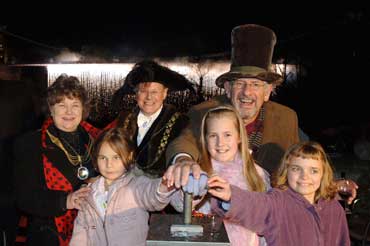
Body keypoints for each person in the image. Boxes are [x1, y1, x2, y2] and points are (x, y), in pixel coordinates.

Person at [166, 24, 299, 175]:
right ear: (228, 88)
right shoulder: (205, 112)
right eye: (240, 83)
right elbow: (185, 142)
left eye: (255, 84)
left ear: (267, 91)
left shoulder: (287, 118)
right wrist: (183, 160)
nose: (247, 92)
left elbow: (300, 159)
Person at [208, 141, 350, 246]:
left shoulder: (334, 209)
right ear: (286, 171)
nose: (304, 176)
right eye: (296, 169)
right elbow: (255, 204)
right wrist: (231, 196)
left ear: (323, 174)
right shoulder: (278, 203)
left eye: (313, 171)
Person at [13, 74, 100, 246]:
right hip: (50, 235)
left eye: (75, 105)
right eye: (62, 105)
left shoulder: (99, 140)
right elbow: (24, 199)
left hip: (95, 232)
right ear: (51, 109)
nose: (69, 112)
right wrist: (65, 201)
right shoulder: (29, 144)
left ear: (83, 109)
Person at [169, 106, 270, 246]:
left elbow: (267, 221)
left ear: (239, 137)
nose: (220, 143)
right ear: (205, 139)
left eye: (227, 135)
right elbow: (178, 204)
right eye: (213, 135)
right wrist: (193, 193)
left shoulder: (256, 174)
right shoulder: (199, 171)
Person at [70, 128, 176, 246]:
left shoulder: (136, 186)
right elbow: (80, 233)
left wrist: (163, 186)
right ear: (96, 159)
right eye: (103, 158)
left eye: (116, 157)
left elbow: (152, 194)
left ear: (129, 156)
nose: (109, 164)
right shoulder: (88, 194)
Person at [106, 60, 190, 178]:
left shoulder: (181, 123)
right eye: (143, 91)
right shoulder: (123, 120)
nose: (149, 97)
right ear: (136, 94)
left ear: (164, 93)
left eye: (154, 91)